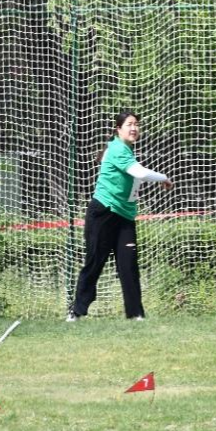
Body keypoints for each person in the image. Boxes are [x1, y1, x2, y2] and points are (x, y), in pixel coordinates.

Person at [68, 110, 171, 321]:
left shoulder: (127, 151)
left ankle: (136, 315)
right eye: (129, 124)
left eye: (136, 124)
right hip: (103, 213)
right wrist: (164, 177)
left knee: (128, 264)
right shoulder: (116, 148)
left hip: (124, 216)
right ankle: (76, 312)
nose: (134, 128)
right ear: (118, 129)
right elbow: (140, 173)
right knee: (94, 263)